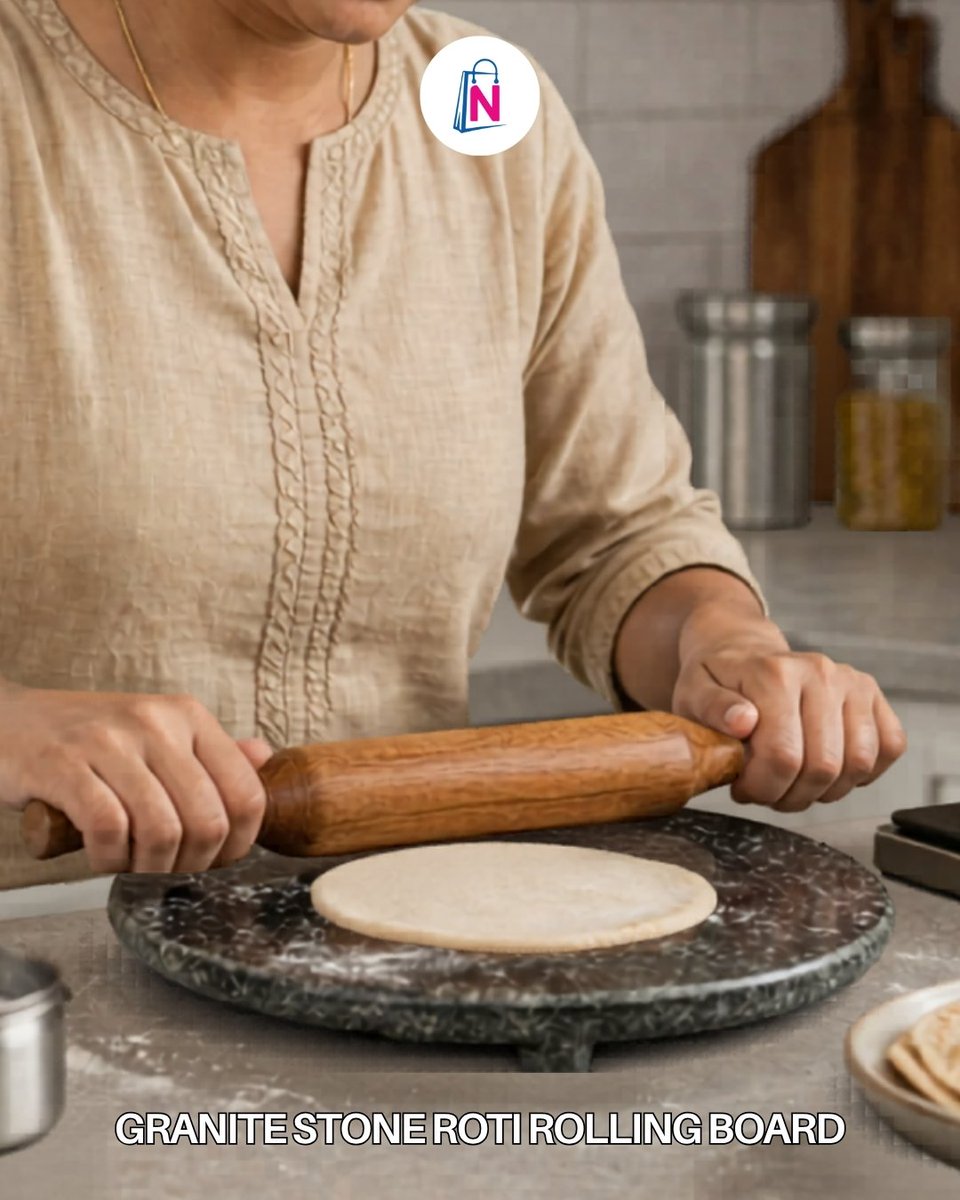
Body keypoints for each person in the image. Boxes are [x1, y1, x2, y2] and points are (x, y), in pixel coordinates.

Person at [0, 0, 906, 887]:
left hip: (410, 943)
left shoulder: (484, 100)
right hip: (36, 967)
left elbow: (615, 534)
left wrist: (725, 638)